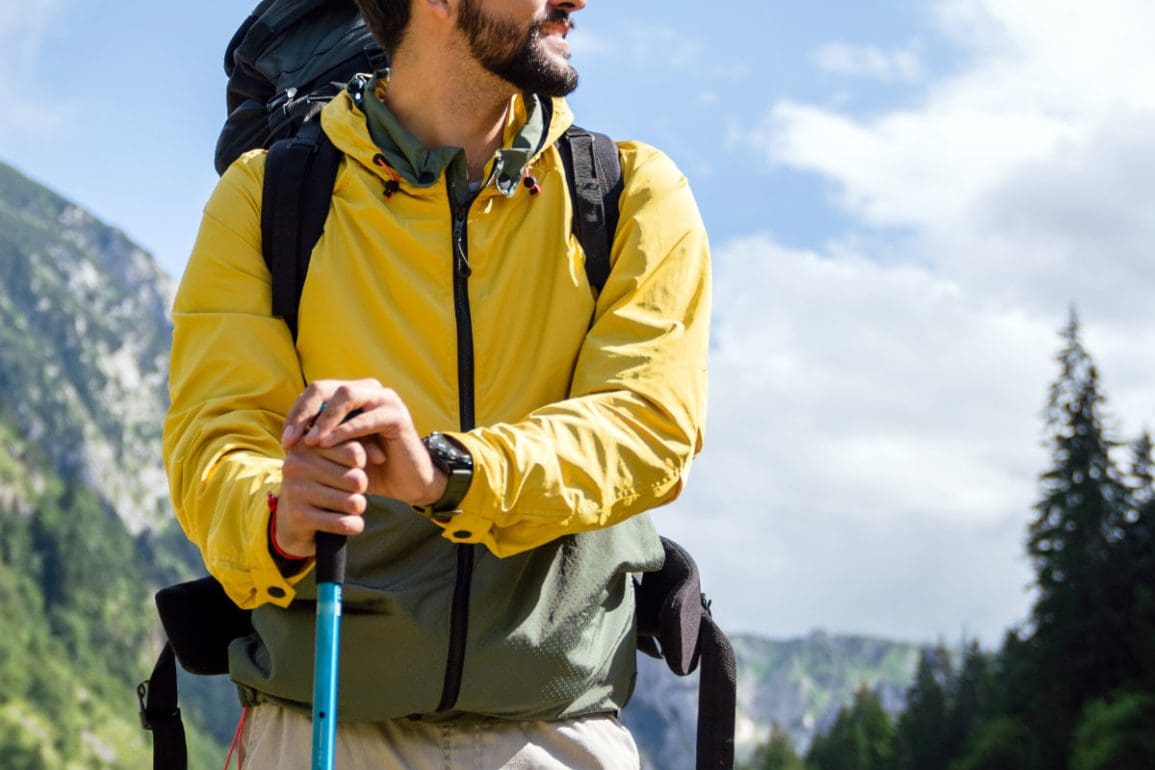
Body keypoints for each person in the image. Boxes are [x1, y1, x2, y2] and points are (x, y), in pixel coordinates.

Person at [163, 0, 710, 767]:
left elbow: (648, 427)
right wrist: (279, 512)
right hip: (313, 724)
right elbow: (212, 440)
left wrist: (450, 472)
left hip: (556, 733)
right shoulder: (264, 198)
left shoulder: (629, 193)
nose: (577, 2)